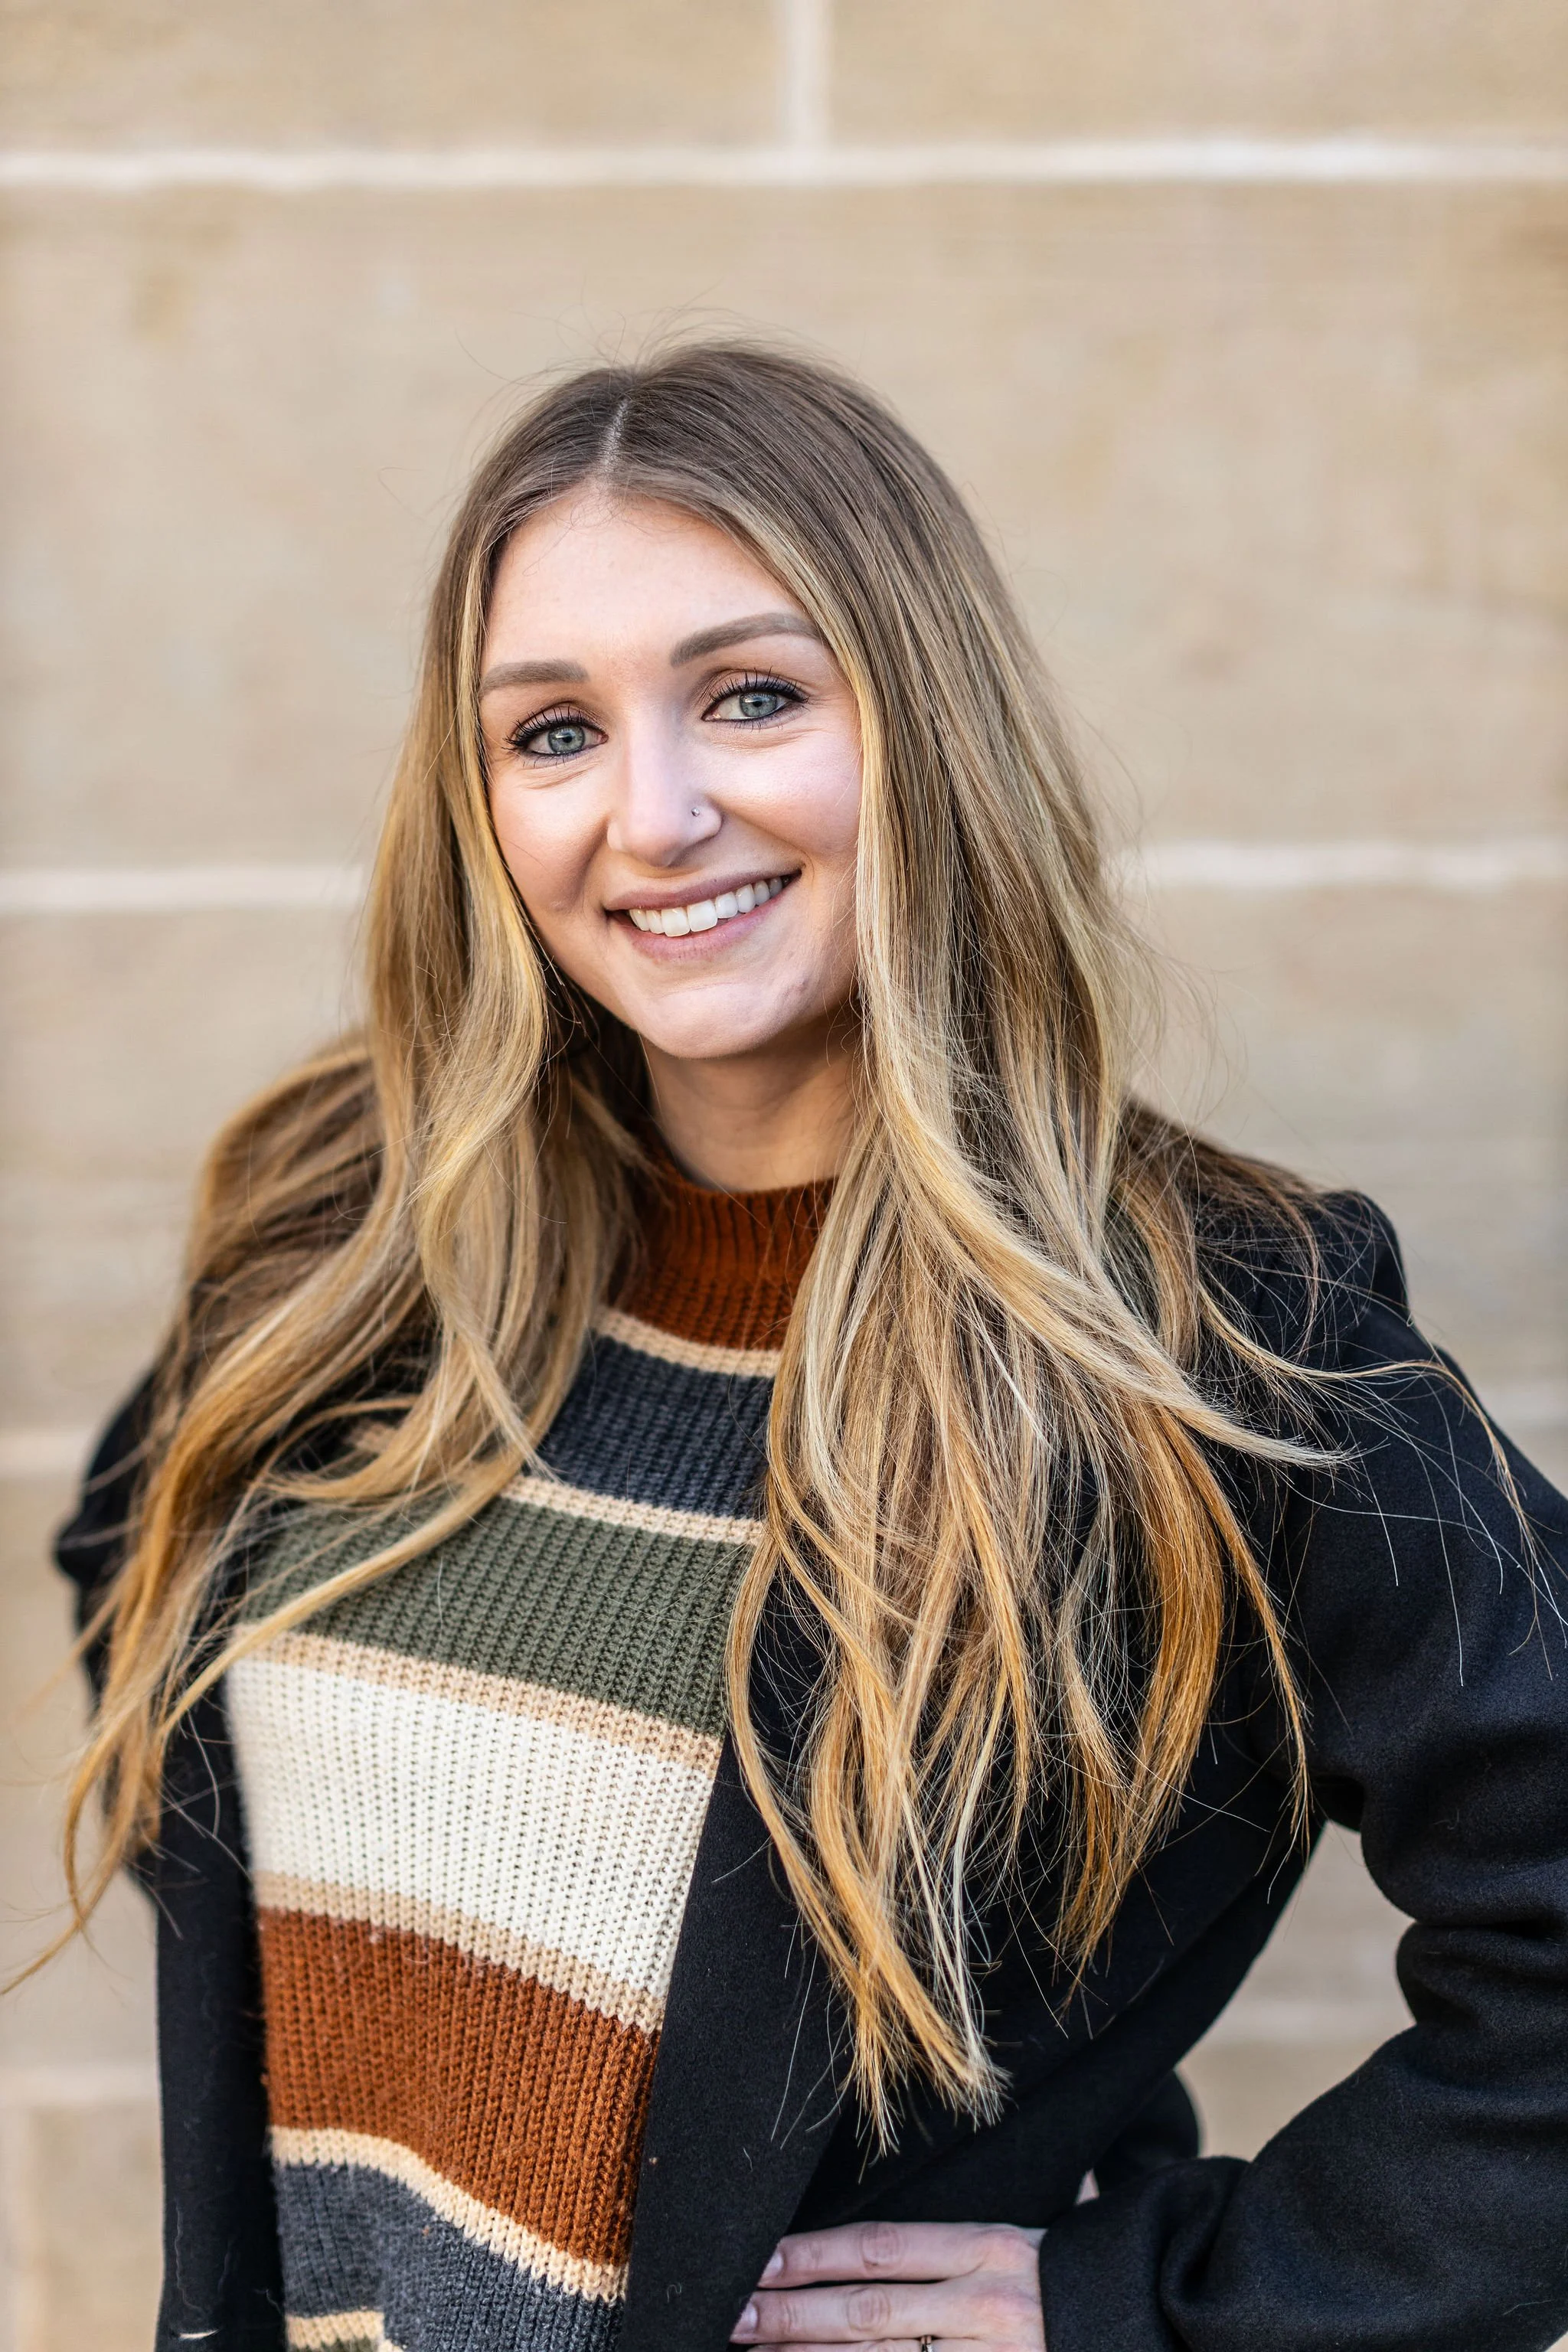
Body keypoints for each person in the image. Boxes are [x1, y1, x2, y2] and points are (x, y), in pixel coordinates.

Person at [54, 343, 1568, 2352]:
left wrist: (1157, 2303)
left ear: (922, 719)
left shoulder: (1205, 1337)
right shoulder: (359, 1234)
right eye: (552, 732)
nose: (654, 815)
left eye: (751, 696)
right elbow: (141, 1602)